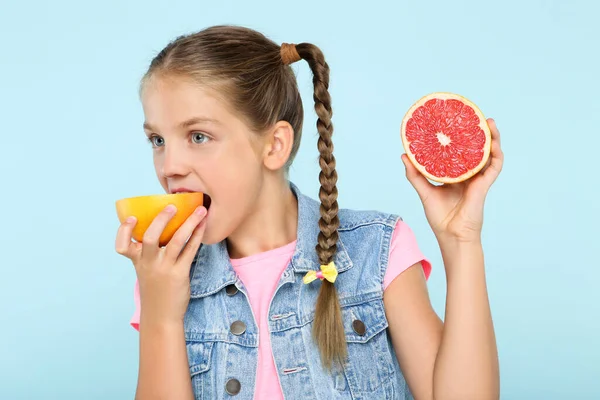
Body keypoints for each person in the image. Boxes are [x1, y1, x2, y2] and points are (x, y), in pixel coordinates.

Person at [115, 25, 503, 400]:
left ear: (274, 146)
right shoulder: (165, 277)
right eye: (157, 140)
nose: (169, 166)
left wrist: (461, 241)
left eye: (198, 136)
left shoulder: (375, 252)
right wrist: (160, 317)